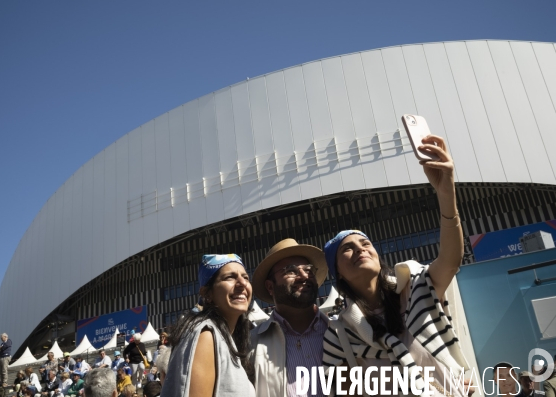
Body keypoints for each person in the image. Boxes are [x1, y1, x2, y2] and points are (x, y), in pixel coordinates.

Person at [322, 135, 470, 396]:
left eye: (365, 243)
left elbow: (450, 260)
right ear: (339, 274)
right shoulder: (340, 333)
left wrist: (446, 193)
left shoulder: (414, 288)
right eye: (347, 248)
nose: (360, 249)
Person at [161, 254, 255, 397]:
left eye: (246, 277)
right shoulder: (206, 335)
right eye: (230, 277)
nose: (242, 283)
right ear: (207, 293)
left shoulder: (224, 337)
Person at [249, 238, 328, 397]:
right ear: (270, 286)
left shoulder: (341, 332)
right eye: (290, 270)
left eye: (309, 269)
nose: (303, 276)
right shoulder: (251, 346)